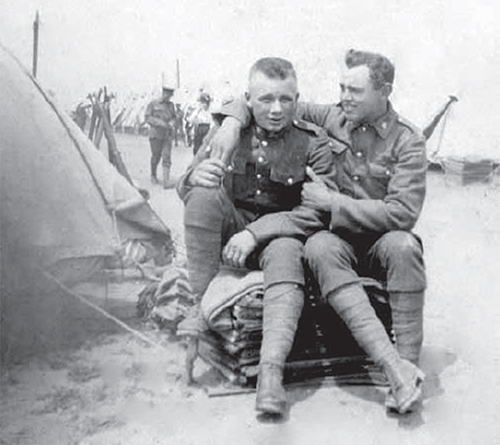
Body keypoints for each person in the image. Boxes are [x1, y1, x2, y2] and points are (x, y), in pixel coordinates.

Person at [211, 49, 427, 414]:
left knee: (405, 247)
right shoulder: (332, 116)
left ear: (384, 91)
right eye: (342, 87)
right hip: (335, 239)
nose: (344, 97)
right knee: (320, 247)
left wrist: (332, 203)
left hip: (382, 242)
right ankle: (393, 368)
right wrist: (231, 121)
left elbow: (402, 213)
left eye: (355, 90)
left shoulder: (409, 140)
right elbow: (269, 102)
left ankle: (406, 367)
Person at [176, 57, 337, 416]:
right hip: (231, 228)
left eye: (286, 99)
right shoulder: (228, 133)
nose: (277, 109)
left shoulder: (313, 142)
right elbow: (182, 186)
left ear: (298, 98)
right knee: (203, 197)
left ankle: (270, 374)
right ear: (248, 99)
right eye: (265, 99)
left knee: (285, 251)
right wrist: (193, 179)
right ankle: (201, 308)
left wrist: (255, 233)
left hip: (281, 234)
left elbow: (319, 211)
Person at [144, 86, 177, 188]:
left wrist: (172, 122)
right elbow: (147, 117)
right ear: (163, 93)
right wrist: (159, 123)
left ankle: (166, 181)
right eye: (167, 94)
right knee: (156, 156)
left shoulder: (171, 105)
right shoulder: (153, 104)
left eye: (170, 95)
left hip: (167, 135)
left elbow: (174, 117)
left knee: (166, 157)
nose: (169, 97)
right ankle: (153, 175)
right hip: (155, 135)